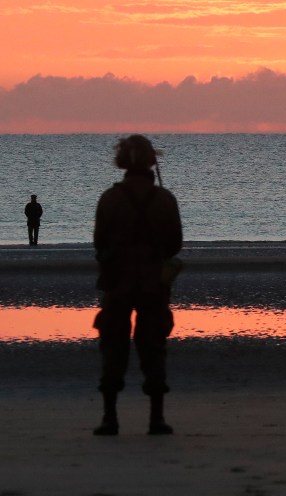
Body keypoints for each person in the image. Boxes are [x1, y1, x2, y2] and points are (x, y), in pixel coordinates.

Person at [92, 134, 183, 436]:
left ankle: (110, 418)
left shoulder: (110, 198)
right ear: (151, 161)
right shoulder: (165, 199)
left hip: (117, 282)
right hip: (153, 284)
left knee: (113, 345)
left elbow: (99, 242)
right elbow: (174, 245)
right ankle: (156, 418)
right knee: (154, 345)